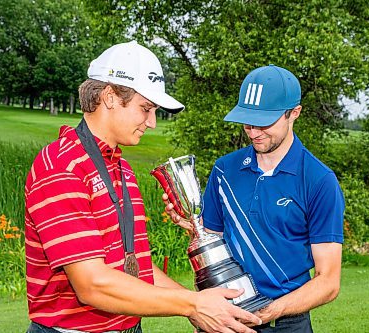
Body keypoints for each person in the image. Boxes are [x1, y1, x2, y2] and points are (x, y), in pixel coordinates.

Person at [24, 41, 262, 333]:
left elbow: (134, 266)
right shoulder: (62, 167)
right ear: (110, 97)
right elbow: (92, 285)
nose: (151, 122)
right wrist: (191, 304)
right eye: (146, 108)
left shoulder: (120, 167)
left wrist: (200, 304)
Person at [164, 65, 344, 332]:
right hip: (225, 318)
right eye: (248, 120)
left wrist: (268, 312)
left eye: (265, 122)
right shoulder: (224, 169)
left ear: (294, 113)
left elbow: (328, 281)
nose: (253, 131)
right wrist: (194, 226)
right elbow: (212, 242)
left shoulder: (318, 180)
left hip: (285, 323)